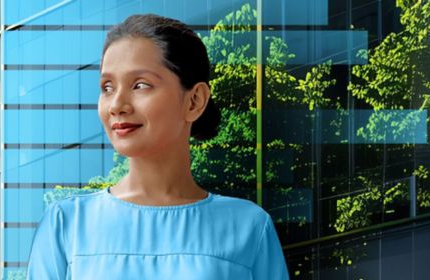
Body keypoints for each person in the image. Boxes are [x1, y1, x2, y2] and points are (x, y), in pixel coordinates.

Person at [26, 14, 289, 279]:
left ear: (194, 101)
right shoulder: (65, 225)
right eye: (107, 87)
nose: (117, 105)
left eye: (140, 85)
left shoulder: (248, 227)